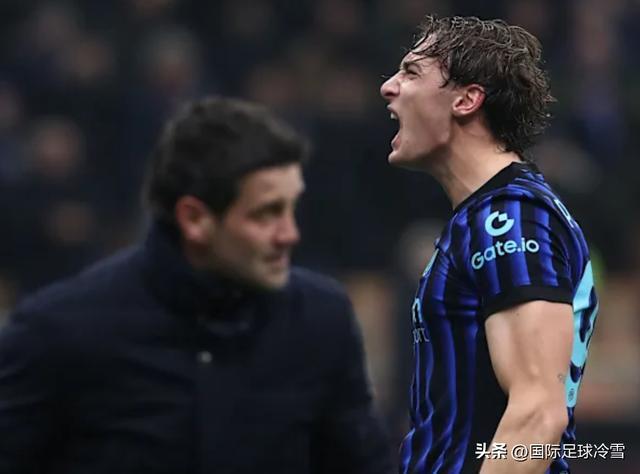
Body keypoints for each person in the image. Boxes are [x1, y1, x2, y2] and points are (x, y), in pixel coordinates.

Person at [0, 97, 394, 474]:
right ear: (195, 219)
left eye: (292, 208)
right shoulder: (60, 333)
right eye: (266, 214)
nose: (289, 234)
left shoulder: (319, 322)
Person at [380, 15, 598, 474]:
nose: (388, 87)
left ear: (466, 99)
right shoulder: (483, 218)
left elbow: (537, 416)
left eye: (411, 72)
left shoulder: (509, 217)